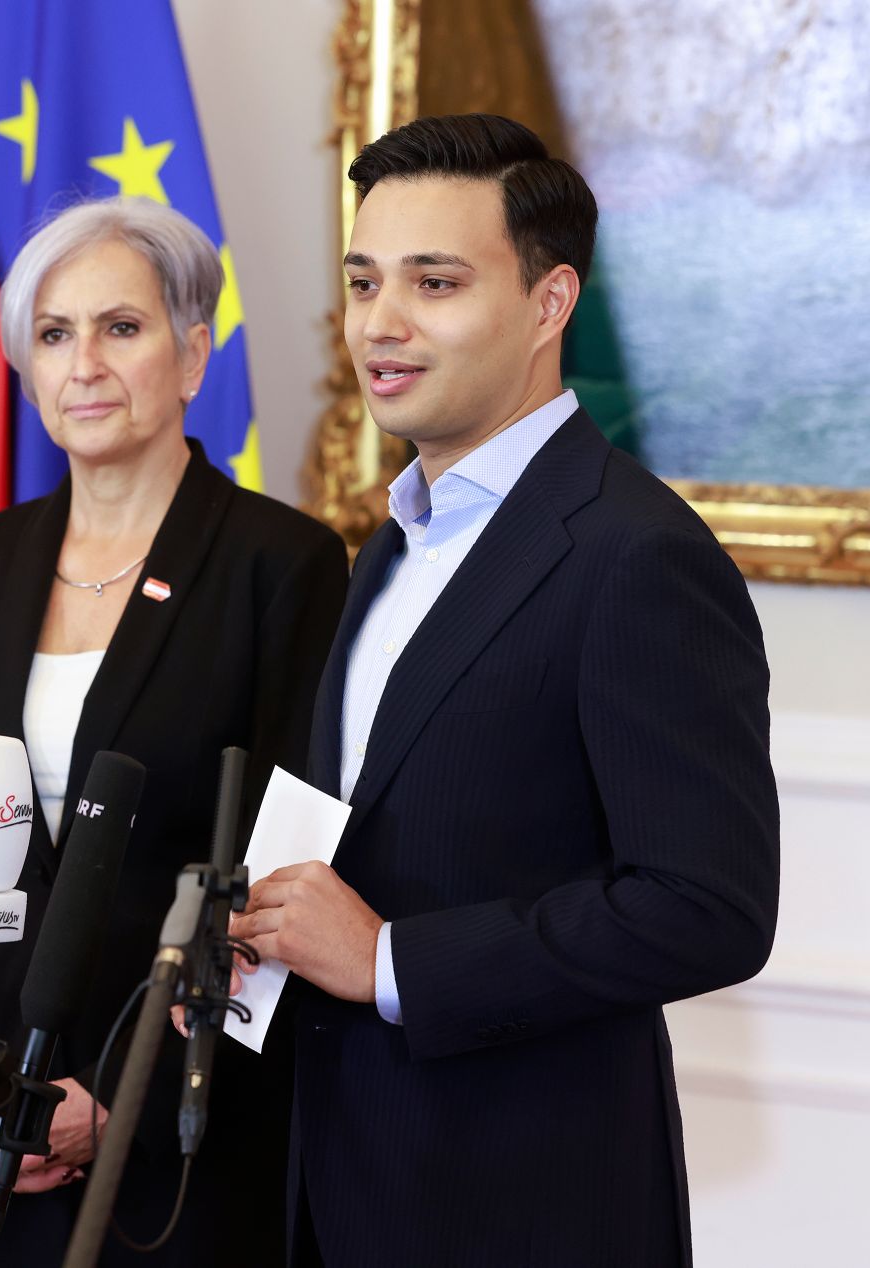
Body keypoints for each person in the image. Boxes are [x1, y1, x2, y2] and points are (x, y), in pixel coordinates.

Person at [231, 113, 779, 1266]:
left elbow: (706, 906)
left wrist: (387, 960)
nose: (380, 323)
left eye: (433, 282)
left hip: (524, 1207)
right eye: (363, 279)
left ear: (547, 302)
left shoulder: (638, 554)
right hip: (333, 1188)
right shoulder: (388, 541)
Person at [0, 197, 348, 1266]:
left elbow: (283, 865)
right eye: (52, 334)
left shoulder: (283, 564)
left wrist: (120, 1090)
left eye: (118, 328)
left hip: (167, 1130)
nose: (82, 362)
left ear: (190, 355)